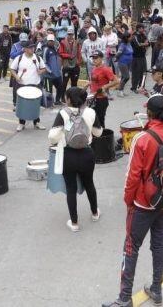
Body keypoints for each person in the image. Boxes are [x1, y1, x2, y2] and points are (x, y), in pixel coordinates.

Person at [102, 94, 163, 307]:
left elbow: (132, 176)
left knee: (131, 246)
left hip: (143, 203)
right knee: (159, 243)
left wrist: (128, 201)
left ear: (149, 113)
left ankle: (124, 299)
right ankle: (157, 289)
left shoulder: (142, 138)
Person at [48, 87, 103, 231]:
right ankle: (95, 213)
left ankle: (74, 223)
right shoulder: (90, 112)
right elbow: (98, 132)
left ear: (68, 99)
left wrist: (62, 137)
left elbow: (52, 136)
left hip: (68, 155)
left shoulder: (63, 113)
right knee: (89, 183)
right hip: (87, 154)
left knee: (71, 188)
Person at [10, 42, 47, 131]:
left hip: (35, 84)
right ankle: (21, 123)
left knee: (35, 104)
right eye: (30, 48)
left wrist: (40, 72)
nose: (32, 49)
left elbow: (44, 68)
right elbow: (12, 69)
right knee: (22, 105)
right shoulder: (19, 58)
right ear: (25, 49)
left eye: (33, 47)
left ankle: (36, 122)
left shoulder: (37, 58)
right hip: (23, 85)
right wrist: (16, 77)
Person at [89, 50, 119, 128]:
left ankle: (102, 138)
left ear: (101, 58)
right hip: (93, 98)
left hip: (101, 99)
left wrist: (104, 87)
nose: (94, 60)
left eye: (96, 58)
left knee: (100, 121)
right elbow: (93, 82)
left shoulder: (105, 69)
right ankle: (95, 137)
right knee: (93, 120)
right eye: (93, 58)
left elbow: (116, 81)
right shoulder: (94, 68)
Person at [59, 27, 81, 103]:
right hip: (66, 65)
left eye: (71, 34)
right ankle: (62, 97)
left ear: (73, 35)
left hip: (75, 65)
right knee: (64, 83)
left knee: (74, 83)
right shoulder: (62, 42)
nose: (70, 36)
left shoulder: (76, 42)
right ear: (67, 34)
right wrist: (68, 56)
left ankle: (73, 98)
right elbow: (61, 53)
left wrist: (79, 61)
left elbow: (79, 52)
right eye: (69, 34)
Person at [43, 34, 64, 106]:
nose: (51, 42)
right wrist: (50, 71)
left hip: (57, 74)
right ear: (47, 41)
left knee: (60, 87)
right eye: (50, 41)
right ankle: (49, 104)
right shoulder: (46, 50)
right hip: (49, 75)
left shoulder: (55, 49)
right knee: (49, 91)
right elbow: (44, 62)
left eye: (52, 41)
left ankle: (57, 101)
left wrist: (59, 70)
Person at [130, 24, 149, 91]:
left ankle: (141, 86)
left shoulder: (143, 35)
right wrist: (144, 44)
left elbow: (148, 42)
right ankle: (134, 87)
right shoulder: (134, 36)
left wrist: (145, 44)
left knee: (144, 72)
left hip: (143, 56)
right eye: (142, 28)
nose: (143, 29)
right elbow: (138, 45)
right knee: (136, 73)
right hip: (135, 57)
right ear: (138, 28)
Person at [115, 33, 133, 97]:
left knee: (123, 76)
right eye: (130, 37)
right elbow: (118, 53)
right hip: (123, 62)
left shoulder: (128, 43)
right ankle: (120, 90)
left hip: (128, 63)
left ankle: (121, 91)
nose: (131, 38)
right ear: (126, 38)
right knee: (126, 77)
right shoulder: (122, 45)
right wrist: (116, 58)